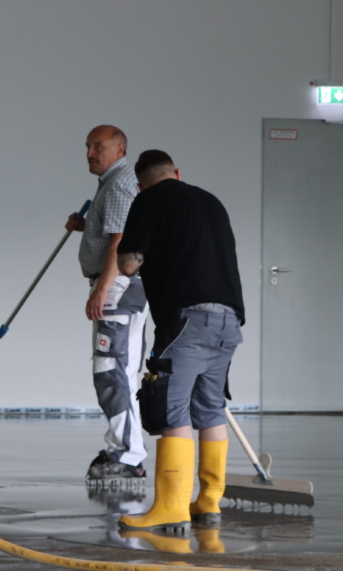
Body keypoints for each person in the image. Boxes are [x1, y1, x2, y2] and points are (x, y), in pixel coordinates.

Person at [115, 150, 245, 534]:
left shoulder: (148, 199)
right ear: (177, 173)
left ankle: (170, 508)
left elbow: (127, 263)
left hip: (188, 320)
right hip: (229, 320)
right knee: (210, 409)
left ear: (141, 183)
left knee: (172, 409)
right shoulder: (210, 200)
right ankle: (208, 504)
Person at [65, 125, 150, 483]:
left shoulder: (117, 184)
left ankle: (128, 455)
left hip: (118, 288)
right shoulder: (113, 183)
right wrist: (87, 226)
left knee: (112, 371)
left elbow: (120, 241)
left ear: (119, 149)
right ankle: (123, 447)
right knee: (118, 371)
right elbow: (115, 230)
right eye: (87, 146)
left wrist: (102, 290)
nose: (89, 152)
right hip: (119, 285)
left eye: (97, 146)